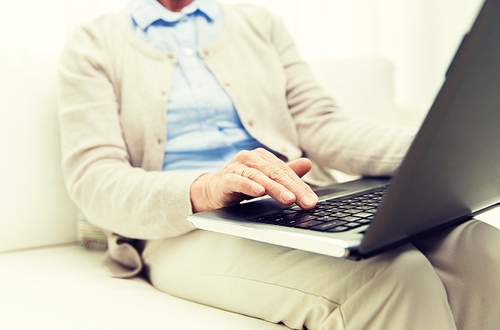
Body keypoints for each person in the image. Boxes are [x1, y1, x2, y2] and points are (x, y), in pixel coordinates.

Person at [57, 0, 500, 328]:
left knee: (486, 252)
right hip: (185, 225)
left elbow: (323, 126)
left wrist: (435, 147)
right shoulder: (93, 43)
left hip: (301, 203)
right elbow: (94, 178)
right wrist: (207, 188)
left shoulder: (260, 24)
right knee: (395, 277)